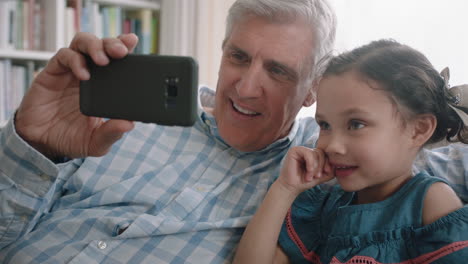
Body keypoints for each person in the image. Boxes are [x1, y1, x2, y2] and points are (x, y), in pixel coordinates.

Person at [0, 0, 466, 262]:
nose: (245, 87)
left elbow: (418, 153)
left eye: (279, 71)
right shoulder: (115, 117)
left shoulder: (327, 163)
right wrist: (32, 145)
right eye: (238, 57)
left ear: (312, 89)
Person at [233, 39, 468, 264]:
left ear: (418, 130)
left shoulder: (430, 202)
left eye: (356, 124)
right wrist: (284, 189)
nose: (332, 145)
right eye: (325, 125)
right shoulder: (324, 205)